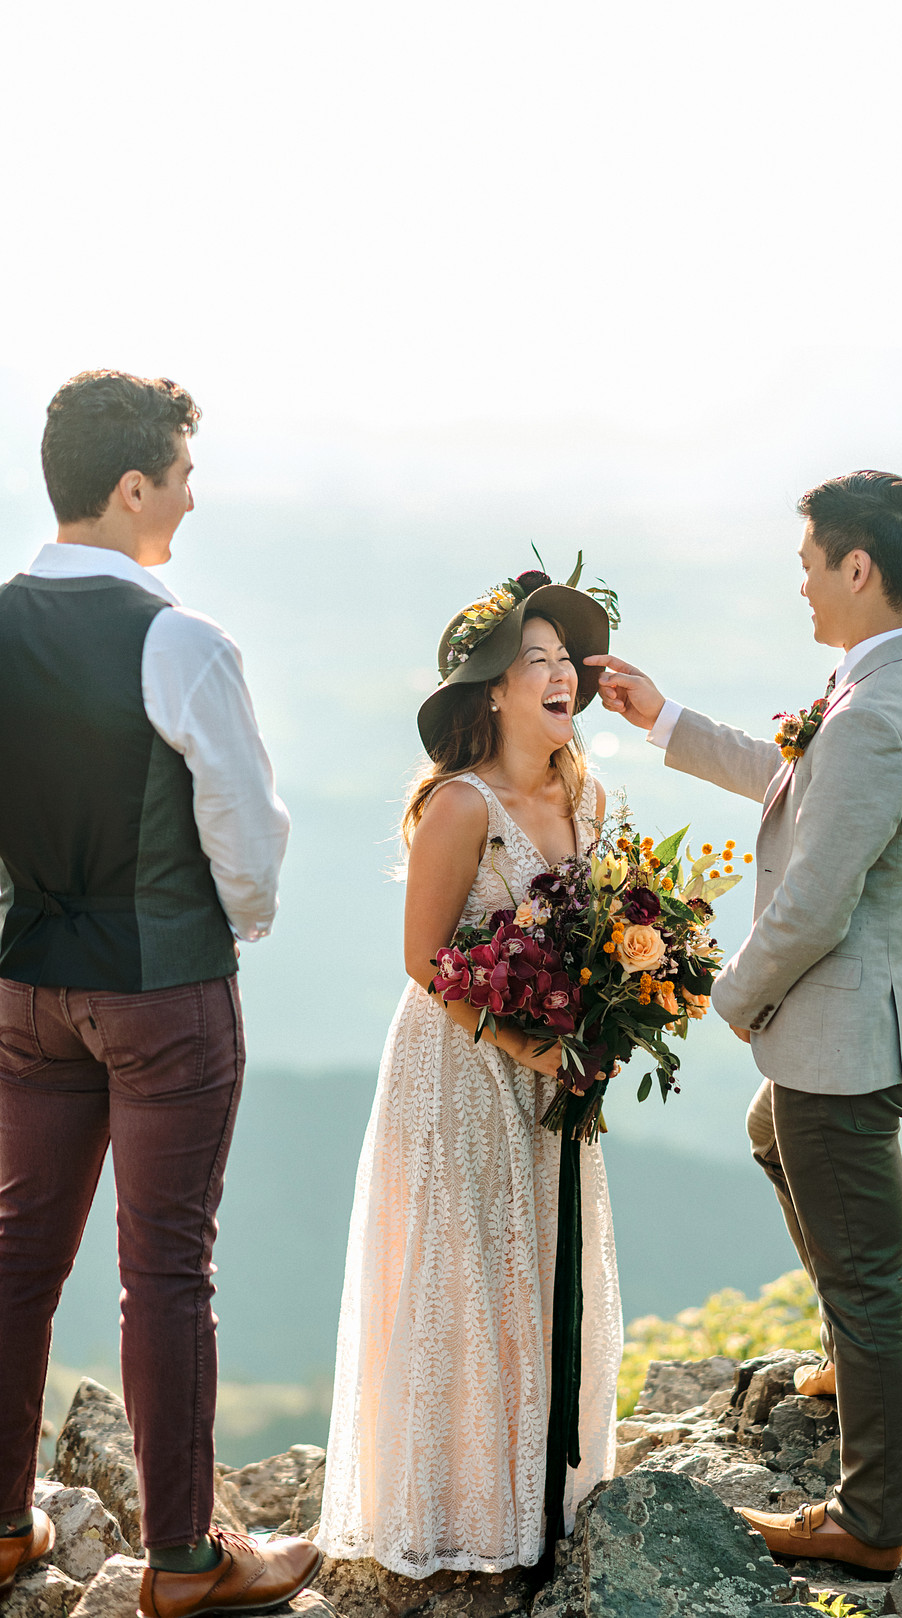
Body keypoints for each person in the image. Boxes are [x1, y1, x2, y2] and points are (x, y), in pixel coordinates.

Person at [586, 471, 902, 1575]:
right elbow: (796, 787)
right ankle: (858, 1358)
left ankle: (867, 1520)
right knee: (773, 1135)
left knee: (865, 1275)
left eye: (809, 562)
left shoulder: (879, 717)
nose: (799, 582)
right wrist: (665, 721)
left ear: (858, 566)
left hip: (848, 1036)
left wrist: (732, 996)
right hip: (878, 1020)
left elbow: (812, 906)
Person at [0, 372, 319, 1617]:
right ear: (133, 485)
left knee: (17, 1253)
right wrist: (228, 929)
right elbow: (247, 834)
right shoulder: (179, 640)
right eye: (183, 474)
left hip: (27, 986)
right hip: (161, 988)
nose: (190, 497)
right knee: (168, 1269)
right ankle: (186, 1559)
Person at [318, 569, 622, 1578]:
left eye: (564, 658)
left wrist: (614, 1018)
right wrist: (532, 1043)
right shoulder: (463, 805)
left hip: (551, 1079)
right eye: (533, 658)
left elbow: (605, 947)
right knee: (466, 1275)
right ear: (492, 690)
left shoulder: (591, 801)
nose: (558, 672)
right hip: (460, 1071)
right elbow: (427, 961)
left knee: (534, 1272)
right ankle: (458, 1510)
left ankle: (537, 1494)